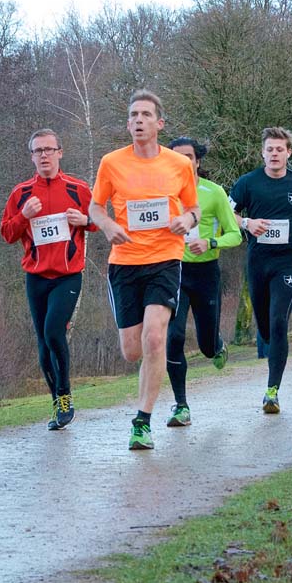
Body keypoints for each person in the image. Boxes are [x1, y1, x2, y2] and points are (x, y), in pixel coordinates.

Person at [90, 90, 199, 450]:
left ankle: (142, 421)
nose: (138, 120)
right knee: (132, 351)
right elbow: (95, 207)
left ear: (159, 123)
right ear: (128, 124)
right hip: (125, 263)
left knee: (155, 337)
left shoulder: (179, 164)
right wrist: (107, 225)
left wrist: (186, 220)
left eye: (146, 115)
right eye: (133, 115)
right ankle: (145, 404)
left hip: (165, 259)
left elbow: (194, 209)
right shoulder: (111, 163)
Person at [229, 127, 292, 413]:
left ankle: (272, 391)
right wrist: (247, 223)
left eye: (280, 149)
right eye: (270, 149)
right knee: (265, 327)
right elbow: (228, 212)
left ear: (289, 153)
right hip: (257, 261)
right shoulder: (248, 183)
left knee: (278, 322)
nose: (274, 154)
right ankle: (268, 344)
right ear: (262, 153)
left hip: (286, 262)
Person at [1, 128, 96, 431]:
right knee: (43, 345)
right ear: (31, 156)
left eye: (49, 150)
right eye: (38, 151)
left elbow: (101, 220)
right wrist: (24, 216)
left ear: (60, 153)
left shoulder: (78, 188)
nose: (44, 155)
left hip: (68, 276)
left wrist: (85, 220)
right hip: (36, 277)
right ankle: (57, 401)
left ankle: (65, 394)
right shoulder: (21, 194)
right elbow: (7, 233)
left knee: (54, 331)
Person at [164, 137, 242, 428]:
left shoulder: (214, 192)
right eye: (176, 157)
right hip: (173, 271)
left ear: (197, 161)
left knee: (207, 346)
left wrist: (211, 242)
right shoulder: (162, 192)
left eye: (188, 157)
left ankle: (217, 345)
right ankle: (181, 405)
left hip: (206, 273)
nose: (183, 162)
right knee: (174, 336)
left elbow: (235, 234)